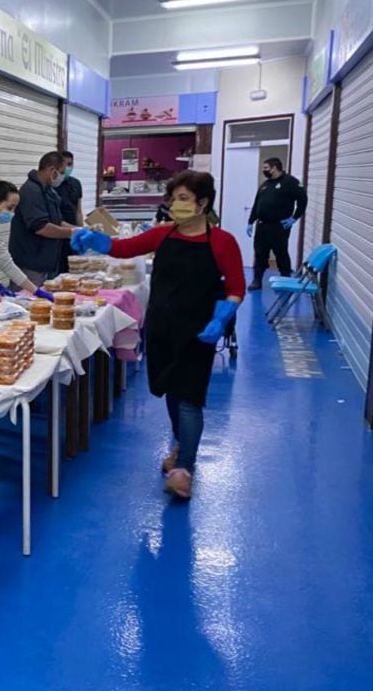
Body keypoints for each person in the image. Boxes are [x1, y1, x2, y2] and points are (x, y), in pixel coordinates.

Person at [72, 171, 245, 500]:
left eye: (183, 199)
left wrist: (220, 320)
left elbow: (236, 287)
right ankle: (181, 448)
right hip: (163, 328)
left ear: (202, 203)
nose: (175, 206)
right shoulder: (163, 234)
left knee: (191, 400)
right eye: (173, 199)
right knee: (171, 393)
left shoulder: (222, 242)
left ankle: (185, 470)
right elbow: (123, 248)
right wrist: (93, 238)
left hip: (199, 332)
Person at [9, 152, 76, 286]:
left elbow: (57, 221)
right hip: (31, 264)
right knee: (31, 302)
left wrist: (80, 229)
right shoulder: (31, 191)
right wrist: (72, 233)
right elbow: (42, 227)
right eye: (62, 172)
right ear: (52, 170)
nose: (63, 176)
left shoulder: (48, 190)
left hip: (47, 262)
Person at [247, 157, 307, 290]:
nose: (264, 171)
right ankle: (257, 280)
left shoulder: (290, 182)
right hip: (262, 226)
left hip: (279, 226)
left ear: (274, 168)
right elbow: (257, 204)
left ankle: (285, 279)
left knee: (281, 253)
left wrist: (294, 218)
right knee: (260, 254)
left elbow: (303, 201)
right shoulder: (265, 185)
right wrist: (251, 222)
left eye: (266, 168)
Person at [55, 151, 84, 272]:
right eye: (66, 164)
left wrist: (81, 231)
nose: (68, 168)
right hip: (57, 234)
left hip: (73, 233)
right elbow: (55, 219)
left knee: (75, 268)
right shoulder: (53, 184)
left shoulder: (76, 184)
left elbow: (78, 211)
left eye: (70, 164)